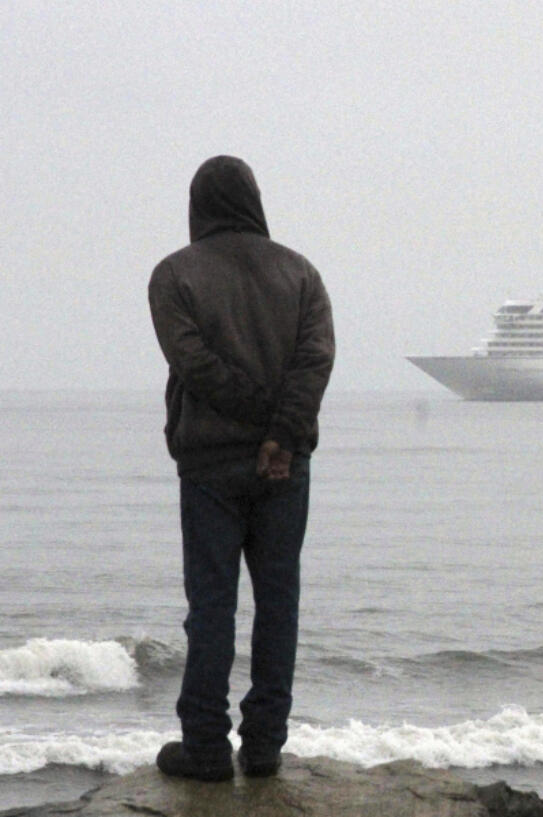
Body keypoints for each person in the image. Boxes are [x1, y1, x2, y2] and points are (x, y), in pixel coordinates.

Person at [148, 156, 335, 781]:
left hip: (209, 464)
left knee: (211, 606)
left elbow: (193, 363)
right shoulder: (301, 273)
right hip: (287, 466)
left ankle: (204, 748)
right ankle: (263, 748)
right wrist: (280, 432)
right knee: (278, 602)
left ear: (198, 204)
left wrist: (258, 421)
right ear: (255, 200)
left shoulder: (174, 275)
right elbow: (315, 362)